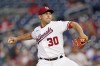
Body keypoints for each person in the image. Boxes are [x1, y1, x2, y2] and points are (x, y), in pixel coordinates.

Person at [8, 6, 88, 66]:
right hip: (44, 62)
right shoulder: (37, 30)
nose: (49, 15)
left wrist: (81, 33)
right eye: (46, 14)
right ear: (40, 17)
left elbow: (73, 24)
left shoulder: (57, 24)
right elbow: (30, 35)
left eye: (50, 13)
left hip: (60, 60)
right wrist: (17, 38)